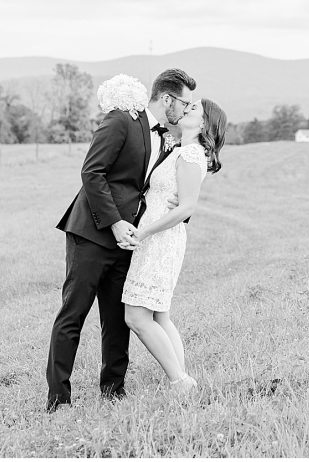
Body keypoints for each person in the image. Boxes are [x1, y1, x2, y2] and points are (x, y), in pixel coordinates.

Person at [45, 69, 196, 412]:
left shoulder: (163, 136)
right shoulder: (122, 120)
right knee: (74, 314)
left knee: (116, 320)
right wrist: (113, 222)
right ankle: (58, 400)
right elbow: (91, 172)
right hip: (92, 233)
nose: (186, 111)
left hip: (129, 239)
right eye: (184, 103)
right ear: (167, 99)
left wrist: (175, 204)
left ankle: (113, 391)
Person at [121, 97, 227, 394]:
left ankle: (180, 381)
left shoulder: (192, 154)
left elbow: (186, 208)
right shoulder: (180, 150)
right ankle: (182, 378)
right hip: (155, 236)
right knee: (159, 314)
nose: (185, 109)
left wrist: (144, 234)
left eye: (193, 109)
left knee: (137, 316)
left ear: (204, 123)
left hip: (160, 239)